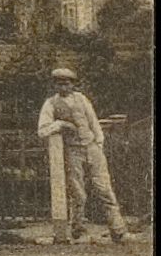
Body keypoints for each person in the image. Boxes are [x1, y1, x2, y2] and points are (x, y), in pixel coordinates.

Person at [36, 67, 127, 243]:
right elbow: (42, 130)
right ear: (55, 85)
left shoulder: (82, 99)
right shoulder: (51, 104)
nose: (64, 86)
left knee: (104, 189)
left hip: (91, 148)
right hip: (73, 151)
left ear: (73, 84)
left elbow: (94, 123)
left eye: (67, 83)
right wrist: (60, 123)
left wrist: (98, 144)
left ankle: (118, 230)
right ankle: (78, 230)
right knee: (78, 193)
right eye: (60, 83)